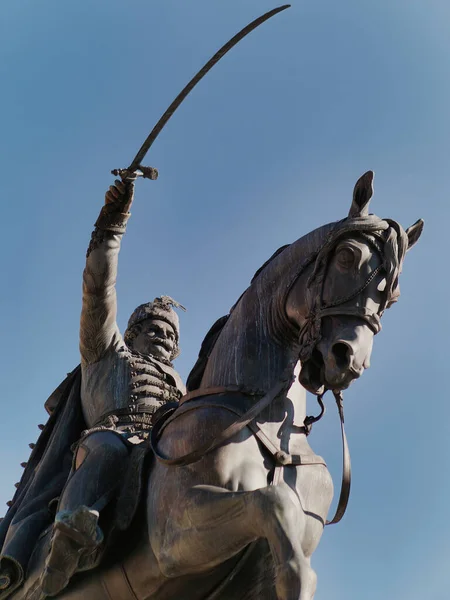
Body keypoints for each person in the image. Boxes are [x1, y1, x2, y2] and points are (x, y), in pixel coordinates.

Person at [39, 178, 185, 596]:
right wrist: (112, 226)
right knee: (107, 450)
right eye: (154, 329)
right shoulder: (105, 351)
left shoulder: (180, 383)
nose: (163, 338)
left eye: (171, 337)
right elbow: (98, 290)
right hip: (111, 435)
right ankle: (69, 538)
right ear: (133, 331)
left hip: (162, 448)